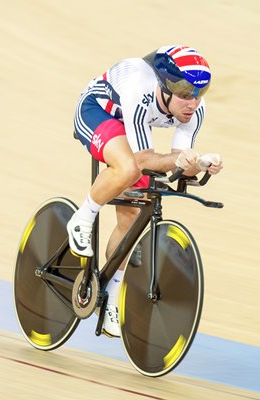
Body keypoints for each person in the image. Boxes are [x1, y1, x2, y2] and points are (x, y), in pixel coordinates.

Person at [67, 44, 223, 337]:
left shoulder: (195, 109)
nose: (193, 103)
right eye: (186, 95)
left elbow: (179, 159)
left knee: (130, 219)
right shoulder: (141, 87)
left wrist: (200, 162)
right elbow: (143, 160)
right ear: (164, 88)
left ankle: (111, 292)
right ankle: (83, 218)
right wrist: (176, 161)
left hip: (130, 128)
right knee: (128, 169)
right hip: (97, 111)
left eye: (198, 94)